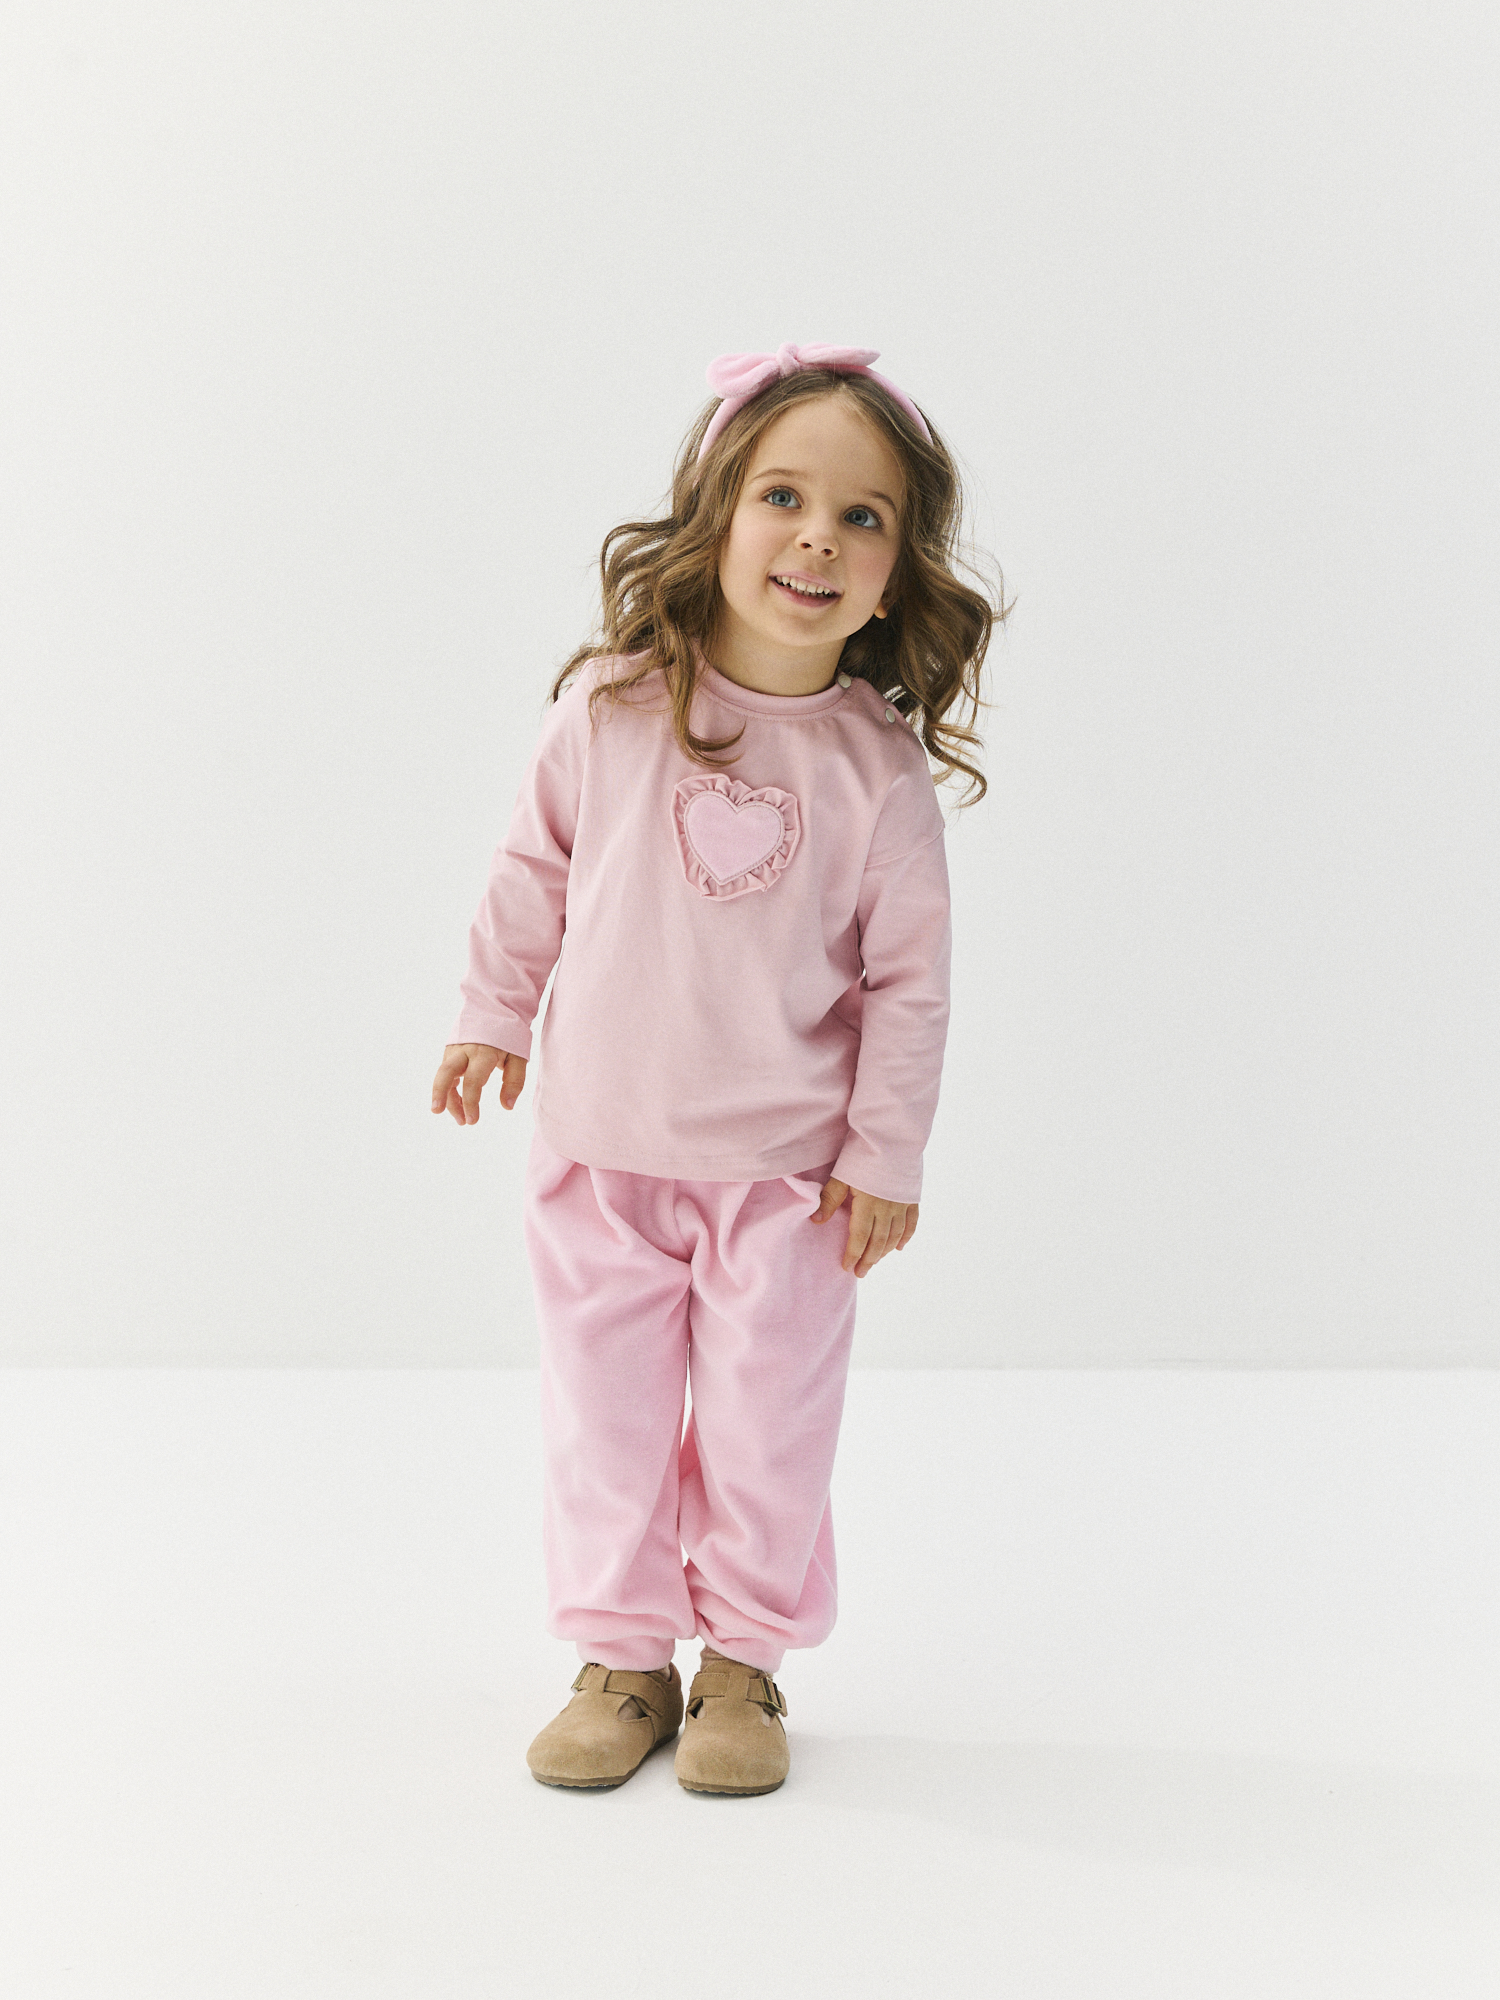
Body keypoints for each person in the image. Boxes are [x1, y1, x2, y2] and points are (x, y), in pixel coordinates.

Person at [431, 342, 1004, 1796]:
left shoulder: (875, 771)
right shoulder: (612, 708)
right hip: (602, 1156)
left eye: (863, 517)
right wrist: (493, 1013)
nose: (818, 538)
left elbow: (910, 985)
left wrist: (885, 1154)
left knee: (767, 1433)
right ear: (718, 514)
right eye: (783, 497)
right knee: (607, 1424)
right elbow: (531, 870)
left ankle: (744, 1663)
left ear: (897, 575)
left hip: (789, 1189)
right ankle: (622, 1662)